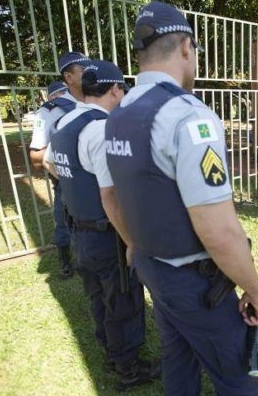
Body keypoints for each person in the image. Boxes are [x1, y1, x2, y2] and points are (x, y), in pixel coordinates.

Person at [104, 1, 258, 395]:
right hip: (195, 285)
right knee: (236, 377)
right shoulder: (189, 116)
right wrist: (255, 290)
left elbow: (111, 196)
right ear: (186, 49)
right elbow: (219, 231)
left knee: (179, 362)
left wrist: (133, 246)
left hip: (151, 268)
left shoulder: (116, 115)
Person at [45, 60, 159, 391]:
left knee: (98, 295)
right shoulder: (103, 128)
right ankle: (128, 367)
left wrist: (78, 188)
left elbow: (52, 164)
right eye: (122, 89)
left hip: (80, 230)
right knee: (123, 298)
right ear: (114, 90)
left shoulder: (66, 119)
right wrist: (132, 242)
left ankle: (110, 351)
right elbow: (111, 196)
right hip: (106, 234)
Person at [29, 51, 91, 278]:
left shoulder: (97, 101)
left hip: (97, 178)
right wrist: (65, 166)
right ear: (69, 76)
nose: (90, 74)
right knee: (64, 219)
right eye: (83, 70)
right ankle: (65, 259)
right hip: (69, 180)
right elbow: (37, 156)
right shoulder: (51, 111)